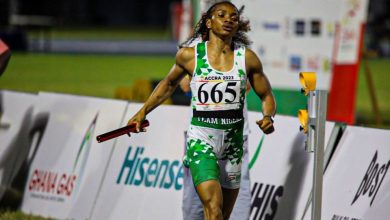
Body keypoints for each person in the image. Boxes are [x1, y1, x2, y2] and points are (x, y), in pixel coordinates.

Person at [127, 1, 276, 219]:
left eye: (233, 17)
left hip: (233, 143)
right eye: (222, 15)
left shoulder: (247, 58)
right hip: (201, 139)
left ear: (238, 25)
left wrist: (267, 116)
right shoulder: (190, 55)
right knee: (213, 208)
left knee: (222, 215)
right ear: (208, 22)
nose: (228, 20)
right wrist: (143, 111)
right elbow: (168, 84)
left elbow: (266, 95)